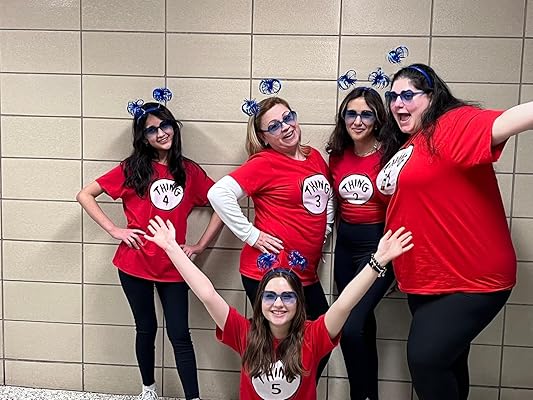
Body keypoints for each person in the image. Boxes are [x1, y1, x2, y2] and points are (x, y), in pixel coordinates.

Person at [377, 63, 533, 400]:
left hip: (469, 279)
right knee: (449, 363)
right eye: (392, 96)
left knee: (425, 360)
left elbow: (511, 120)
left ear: (432, 97)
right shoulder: (411, 143)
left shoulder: (452, 124)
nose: (398, 103)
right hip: (427, 278)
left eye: (408, 95)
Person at [144, 215, 413, 400]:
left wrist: (377, 261)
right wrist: (172, 248)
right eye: (270, 296)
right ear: (260, 301)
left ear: (299, 303)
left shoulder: (313, 336)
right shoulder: (245, 333)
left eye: (288, 297)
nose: (278, 304)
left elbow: (344, 304)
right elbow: (207, 294)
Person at [76, 97, 223, 400]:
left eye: (165, 125)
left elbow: (222, 205)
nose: (161, 133)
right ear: (143, 138)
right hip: (135, 263)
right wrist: (115, 230)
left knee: (180, 334)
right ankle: (148, 390)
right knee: (146, 328)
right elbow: (85, 195)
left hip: (175, 266)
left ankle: (193, 397)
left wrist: (199, 246)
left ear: (174, 128)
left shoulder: (190, 172)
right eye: (151, 130)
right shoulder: (132, 169)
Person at [207, 97, 335, 379]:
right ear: (264, 137)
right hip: (269, 271)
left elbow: (326, 194)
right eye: (274, 126)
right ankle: (279, 394)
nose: (285, 127)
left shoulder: (313, 156)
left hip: (304, 271)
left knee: (321, 339)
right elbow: (218, 194)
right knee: (281, 349)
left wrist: (323, 229)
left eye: (288, 118)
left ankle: (298, 393)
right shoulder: (264, 162)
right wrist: (251, 235)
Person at [326, 86, 394, 400]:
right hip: (346, 247)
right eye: (351, 113)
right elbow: (331, 203)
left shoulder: (390, 155)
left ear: (378, 119)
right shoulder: (337, 155)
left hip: (376, 247)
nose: (358, 121)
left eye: (366, 114)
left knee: (352, 326)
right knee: (360, 326)